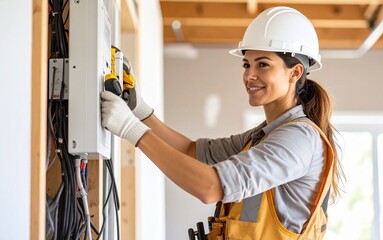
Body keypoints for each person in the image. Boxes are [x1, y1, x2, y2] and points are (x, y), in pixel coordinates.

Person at [101, 6, 344, 239]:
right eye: (247, 64)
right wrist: (140, 111)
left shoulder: (299, 139)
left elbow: (210, 188)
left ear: (295, 72)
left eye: (263, 64)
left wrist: (130, 129)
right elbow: (191, 151)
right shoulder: (263, 135)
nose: (249, 75)